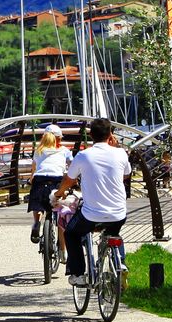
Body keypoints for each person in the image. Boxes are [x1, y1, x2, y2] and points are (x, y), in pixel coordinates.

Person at [57, 116, 132, 281]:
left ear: (91, 135)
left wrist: (58, 193)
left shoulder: (84, 156)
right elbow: (126, 175)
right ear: (110, 134)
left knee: (71, 233)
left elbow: (69, 180)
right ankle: (121, 264)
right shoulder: (120, 153)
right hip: (119, 213)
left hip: (91, 215)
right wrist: (117, 147)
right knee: (113, 232)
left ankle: (78, 274)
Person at [26, 129, 70, 245]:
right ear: (57, 138)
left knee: (38, 202)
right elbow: (72, 164)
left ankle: (36, 222)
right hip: (56, 179)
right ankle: (62, 247)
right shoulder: (64, 150)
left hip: (39, 178)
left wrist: (31, 179)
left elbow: (34, 169)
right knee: (59, 206)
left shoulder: (38, 150)